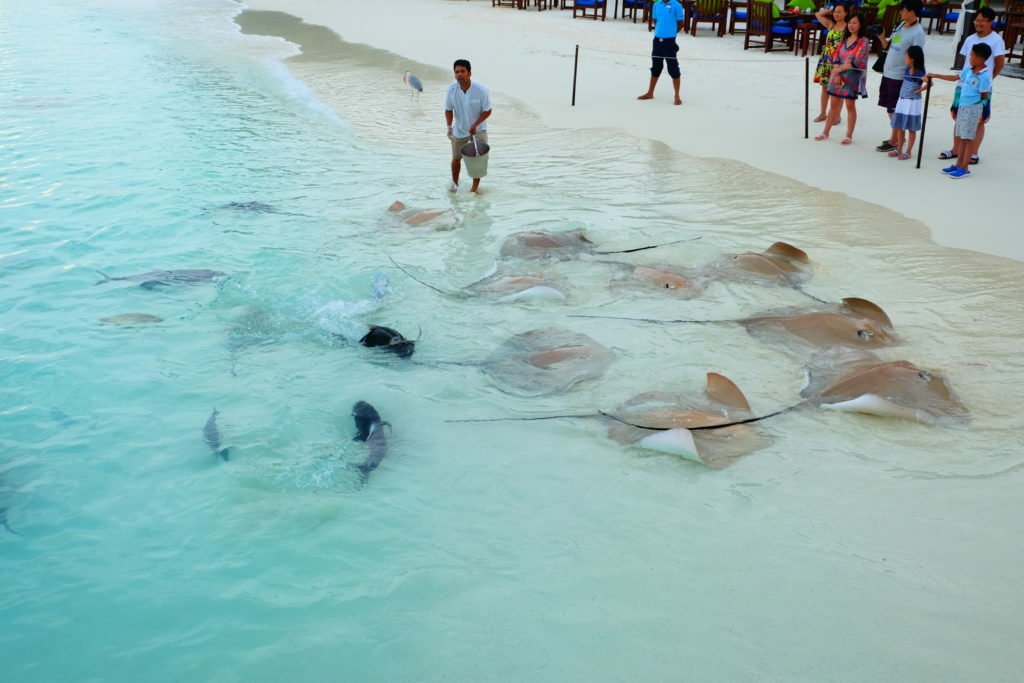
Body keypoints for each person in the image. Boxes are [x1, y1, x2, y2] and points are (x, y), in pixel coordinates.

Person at [937, 7, 1006, 164]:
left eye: (982, 20)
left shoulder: (996, 40)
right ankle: (956, 149)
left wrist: (988, 79)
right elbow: (965, 59)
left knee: (979, 119)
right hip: (964, 84)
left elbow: (1000, 63)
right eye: (977, 20)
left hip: (980, 87)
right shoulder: (970, 39)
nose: (978, 23)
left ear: (990, 22)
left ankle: (973, 152)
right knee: (959, 116)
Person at [928, 42, 992, 180]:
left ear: (981, 58)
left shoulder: (984, 76)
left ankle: (965, 167)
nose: (970, 58)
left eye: (973, 56)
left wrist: (979, 112)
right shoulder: (968, 70)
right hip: (963, 107)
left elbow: (985, 96)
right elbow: (955, 78)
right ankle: (958, 164)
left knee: (968, 139)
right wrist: (935, 75)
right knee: (962, 137)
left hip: (973, 109)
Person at [875, 0, 925, 153]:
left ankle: (895, 139)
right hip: (888, 72)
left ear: (912, 12)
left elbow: (917, 56)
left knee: (895, 108)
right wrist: (881, 37)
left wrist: (911, 77)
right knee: (889, 107)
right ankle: (896, 137)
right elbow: (889, 47)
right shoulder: (900, 25)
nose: (901, 13)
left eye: (904, 10)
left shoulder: (918, 33)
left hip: (900, 76)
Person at [815, 15, 870, 144]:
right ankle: (825, 132)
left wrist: (839, 69)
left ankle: (849, 135)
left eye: (855, 23)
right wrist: (837, 69)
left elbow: (857, 59)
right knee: (833, 104)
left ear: (861, 25)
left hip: (851, 77)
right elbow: (836, 56)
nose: (851, 25)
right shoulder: (844, 39)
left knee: (850, 106)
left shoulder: (863, 41)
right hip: (838, 75)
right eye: (850, 23)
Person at [445, 59, 492, 193]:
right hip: (459, 129)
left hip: (478, 129)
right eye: (457, 72)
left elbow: (488, 110)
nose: (459, 74)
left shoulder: (481, 90)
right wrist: (449, 127)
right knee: (455, 159)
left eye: (462, 71)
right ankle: (455, 184)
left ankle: (474, 189)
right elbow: (448, 109)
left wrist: (476, 124)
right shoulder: (451, 89)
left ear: (469, 73)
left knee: (478, 159)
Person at [637, 0, 685, 106]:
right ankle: (650, 93)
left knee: (673, 68)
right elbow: (655, 20)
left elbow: (681, 24)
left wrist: (671, 32)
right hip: (657, 40)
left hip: (670, 41)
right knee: (656, 67)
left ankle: (677, 95)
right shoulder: (656, 4)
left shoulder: (677, 5)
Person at [887, 45, 927, 160]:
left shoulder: (919, 72)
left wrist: (920, 90)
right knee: (900, 125)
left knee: (911, 128)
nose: (905, 58)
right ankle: (899, 149)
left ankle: (908, 151)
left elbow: (930, 83)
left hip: (912, 102)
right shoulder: (906, 69)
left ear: (913, 58)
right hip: (903, 99)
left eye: (906, 56)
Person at [813, 3, 848, 123]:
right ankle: (823, 113)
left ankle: (837, 116)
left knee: (839, 89)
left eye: (840, 12)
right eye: (835, 12)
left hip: (839, 61)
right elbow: (817, 14)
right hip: (826, 58)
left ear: (846, 13)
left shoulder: (848, 28)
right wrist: (830, 10)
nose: (836, 14)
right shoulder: (831, 24)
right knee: (824, 88)